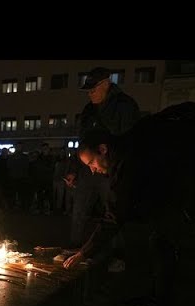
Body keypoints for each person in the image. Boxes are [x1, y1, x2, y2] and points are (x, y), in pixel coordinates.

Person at [62, 115, 195, 306]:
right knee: (158, 243)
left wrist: (84, 253)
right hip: (174, 196)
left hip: (183, 197)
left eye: (92, 163)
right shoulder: (127, 147)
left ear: (103, 149)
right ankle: (153, 300)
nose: (93, 170)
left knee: (164, 249)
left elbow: (113, 218)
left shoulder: (125, 163)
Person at [69, 67, 140, 272]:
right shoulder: (89, 109)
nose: (90, 94)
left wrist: (115, 166)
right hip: (91, 164)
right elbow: (82, 141)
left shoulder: (124, 105)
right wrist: (77, 167)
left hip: (110, 167)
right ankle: (76, 249)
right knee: (79, 209)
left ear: (106, 84)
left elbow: (125, 137)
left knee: (114, 210)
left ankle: (117, 255)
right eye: (88, 91)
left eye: (93, 89)